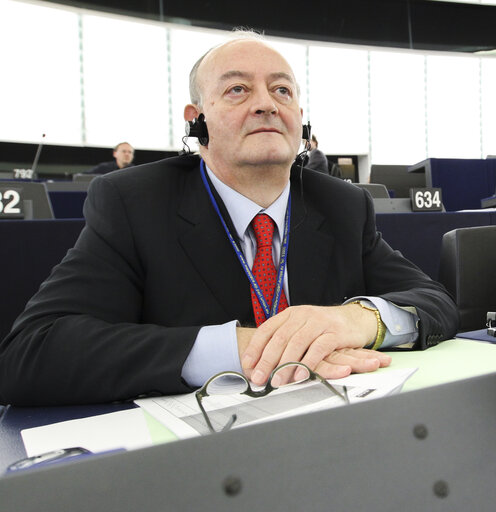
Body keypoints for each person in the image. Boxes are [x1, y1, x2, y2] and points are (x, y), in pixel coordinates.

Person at [0, 32, 458, 406]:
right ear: (197, 120)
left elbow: (434, 301)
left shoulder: (341, 204)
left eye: (282, 90)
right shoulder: (134, 202)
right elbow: (31, 353)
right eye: (238, 89)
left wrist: (360, 321)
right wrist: (237, 349)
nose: (266, 104)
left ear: (301, 118)